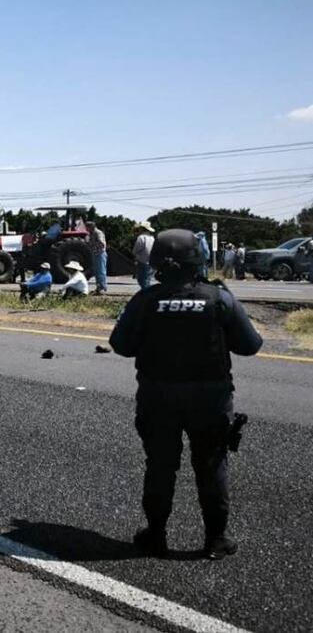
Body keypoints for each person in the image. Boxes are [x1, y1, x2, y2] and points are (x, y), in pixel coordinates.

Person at [109, 229, 262, 560]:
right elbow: (251, 346)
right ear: (198, 259)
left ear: (156, 263)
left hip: (158, 396)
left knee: (160, 466)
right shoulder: (219, 298)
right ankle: (216, 539)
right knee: (211, 465)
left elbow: (120, 345)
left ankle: (155, 535)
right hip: (211, 398)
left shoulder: (145, 300)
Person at [86, 221, 108, 294]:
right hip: (95, 254)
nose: (87, 229)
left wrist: (92, 245)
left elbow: (101, 244)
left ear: (91, 226)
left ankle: (102, 288)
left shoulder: (98, 233)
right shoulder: (91, 234)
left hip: (100, 254)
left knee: (101, 271)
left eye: (87, 227)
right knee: (97, 272)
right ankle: (98, 288)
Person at [132, 222, 156, 290]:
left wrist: (134, 254)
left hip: (142, 261)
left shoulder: (141, 237)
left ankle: (146, 295)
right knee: (147, 279)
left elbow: (136, 249)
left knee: (142, 280)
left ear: (142, 229)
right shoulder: (152, 238)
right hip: (151, 261)